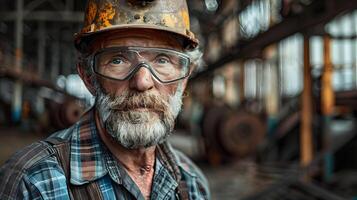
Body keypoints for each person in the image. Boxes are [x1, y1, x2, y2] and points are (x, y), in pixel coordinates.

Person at [0, 0, 210, 199]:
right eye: (118, 60)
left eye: (162, 60)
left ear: (184, 79)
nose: (142, 82)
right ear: (88, 76)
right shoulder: (32, 184)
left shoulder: (192, 183)